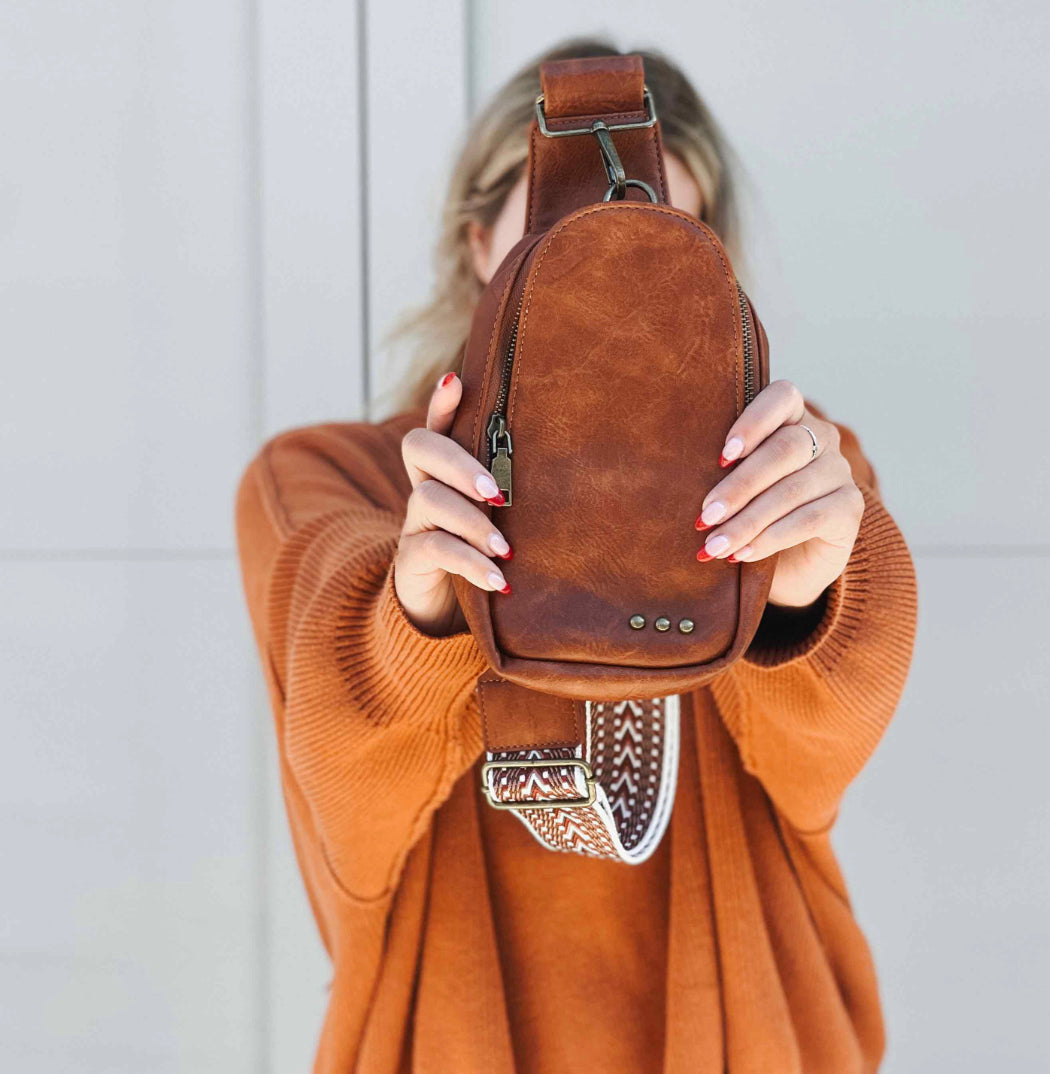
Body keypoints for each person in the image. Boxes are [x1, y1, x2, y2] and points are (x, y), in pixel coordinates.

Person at [236, 39, 917, 1074]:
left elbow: (812, 776)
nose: (615, 273)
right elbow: (350, 827)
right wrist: (416, 612)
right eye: (566, 229)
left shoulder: (788, 466)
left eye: (659, 233)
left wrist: (803, 599)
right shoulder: (329, 479)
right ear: (479, 243)